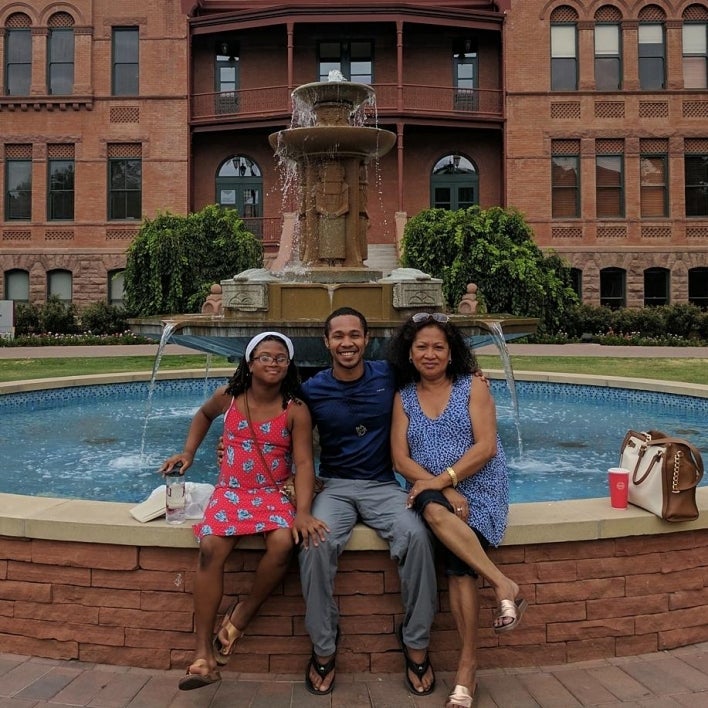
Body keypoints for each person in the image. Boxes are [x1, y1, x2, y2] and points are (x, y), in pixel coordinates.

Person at [161, 331, 326, 691]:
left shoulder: (295, 409)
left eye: (280, 358)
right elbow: (203, 416)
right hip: (232, 493)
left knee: (284, 542)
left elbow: (303, 461)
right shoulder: (229, 397)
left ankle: (242, 614)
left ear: (289, 365)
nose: (273, 363)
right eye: (264, 357)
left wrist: (302, 510)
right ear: (249, 363)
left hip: (270, 493)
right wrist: (188, 452)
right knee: (210, 549)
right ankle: (203, 653)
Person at [389, 312, 528, 708]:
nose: (430, 354)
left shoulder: (473, 387)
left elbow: (485, 447)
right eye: (422, 347)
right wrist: (441, 488)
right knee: (435, 514)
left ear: (451, 353)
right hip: (435, 492)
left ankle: (468, 670)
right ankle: (502, 587)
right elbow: (400, 459)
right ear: (410, 353)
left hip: (479, 488)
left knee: (454, 555)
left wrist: (442, 480)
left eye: (438, 347)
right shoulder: (403, 397)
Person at [297, 307, 438, 697]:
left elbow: (434, 371)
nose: (347, 343)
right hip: (335, 487)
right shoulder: (311, 390)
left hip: (382, 485)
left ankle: (416, 642)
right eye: (338, 336)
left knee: (417, 536)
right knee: (315, 543)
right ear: (326, 342)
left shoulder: (389, 375)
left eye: (354, 335)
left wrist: (470, 374)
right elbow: (275, 421)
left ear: (366, 338)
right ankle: (324, 646)